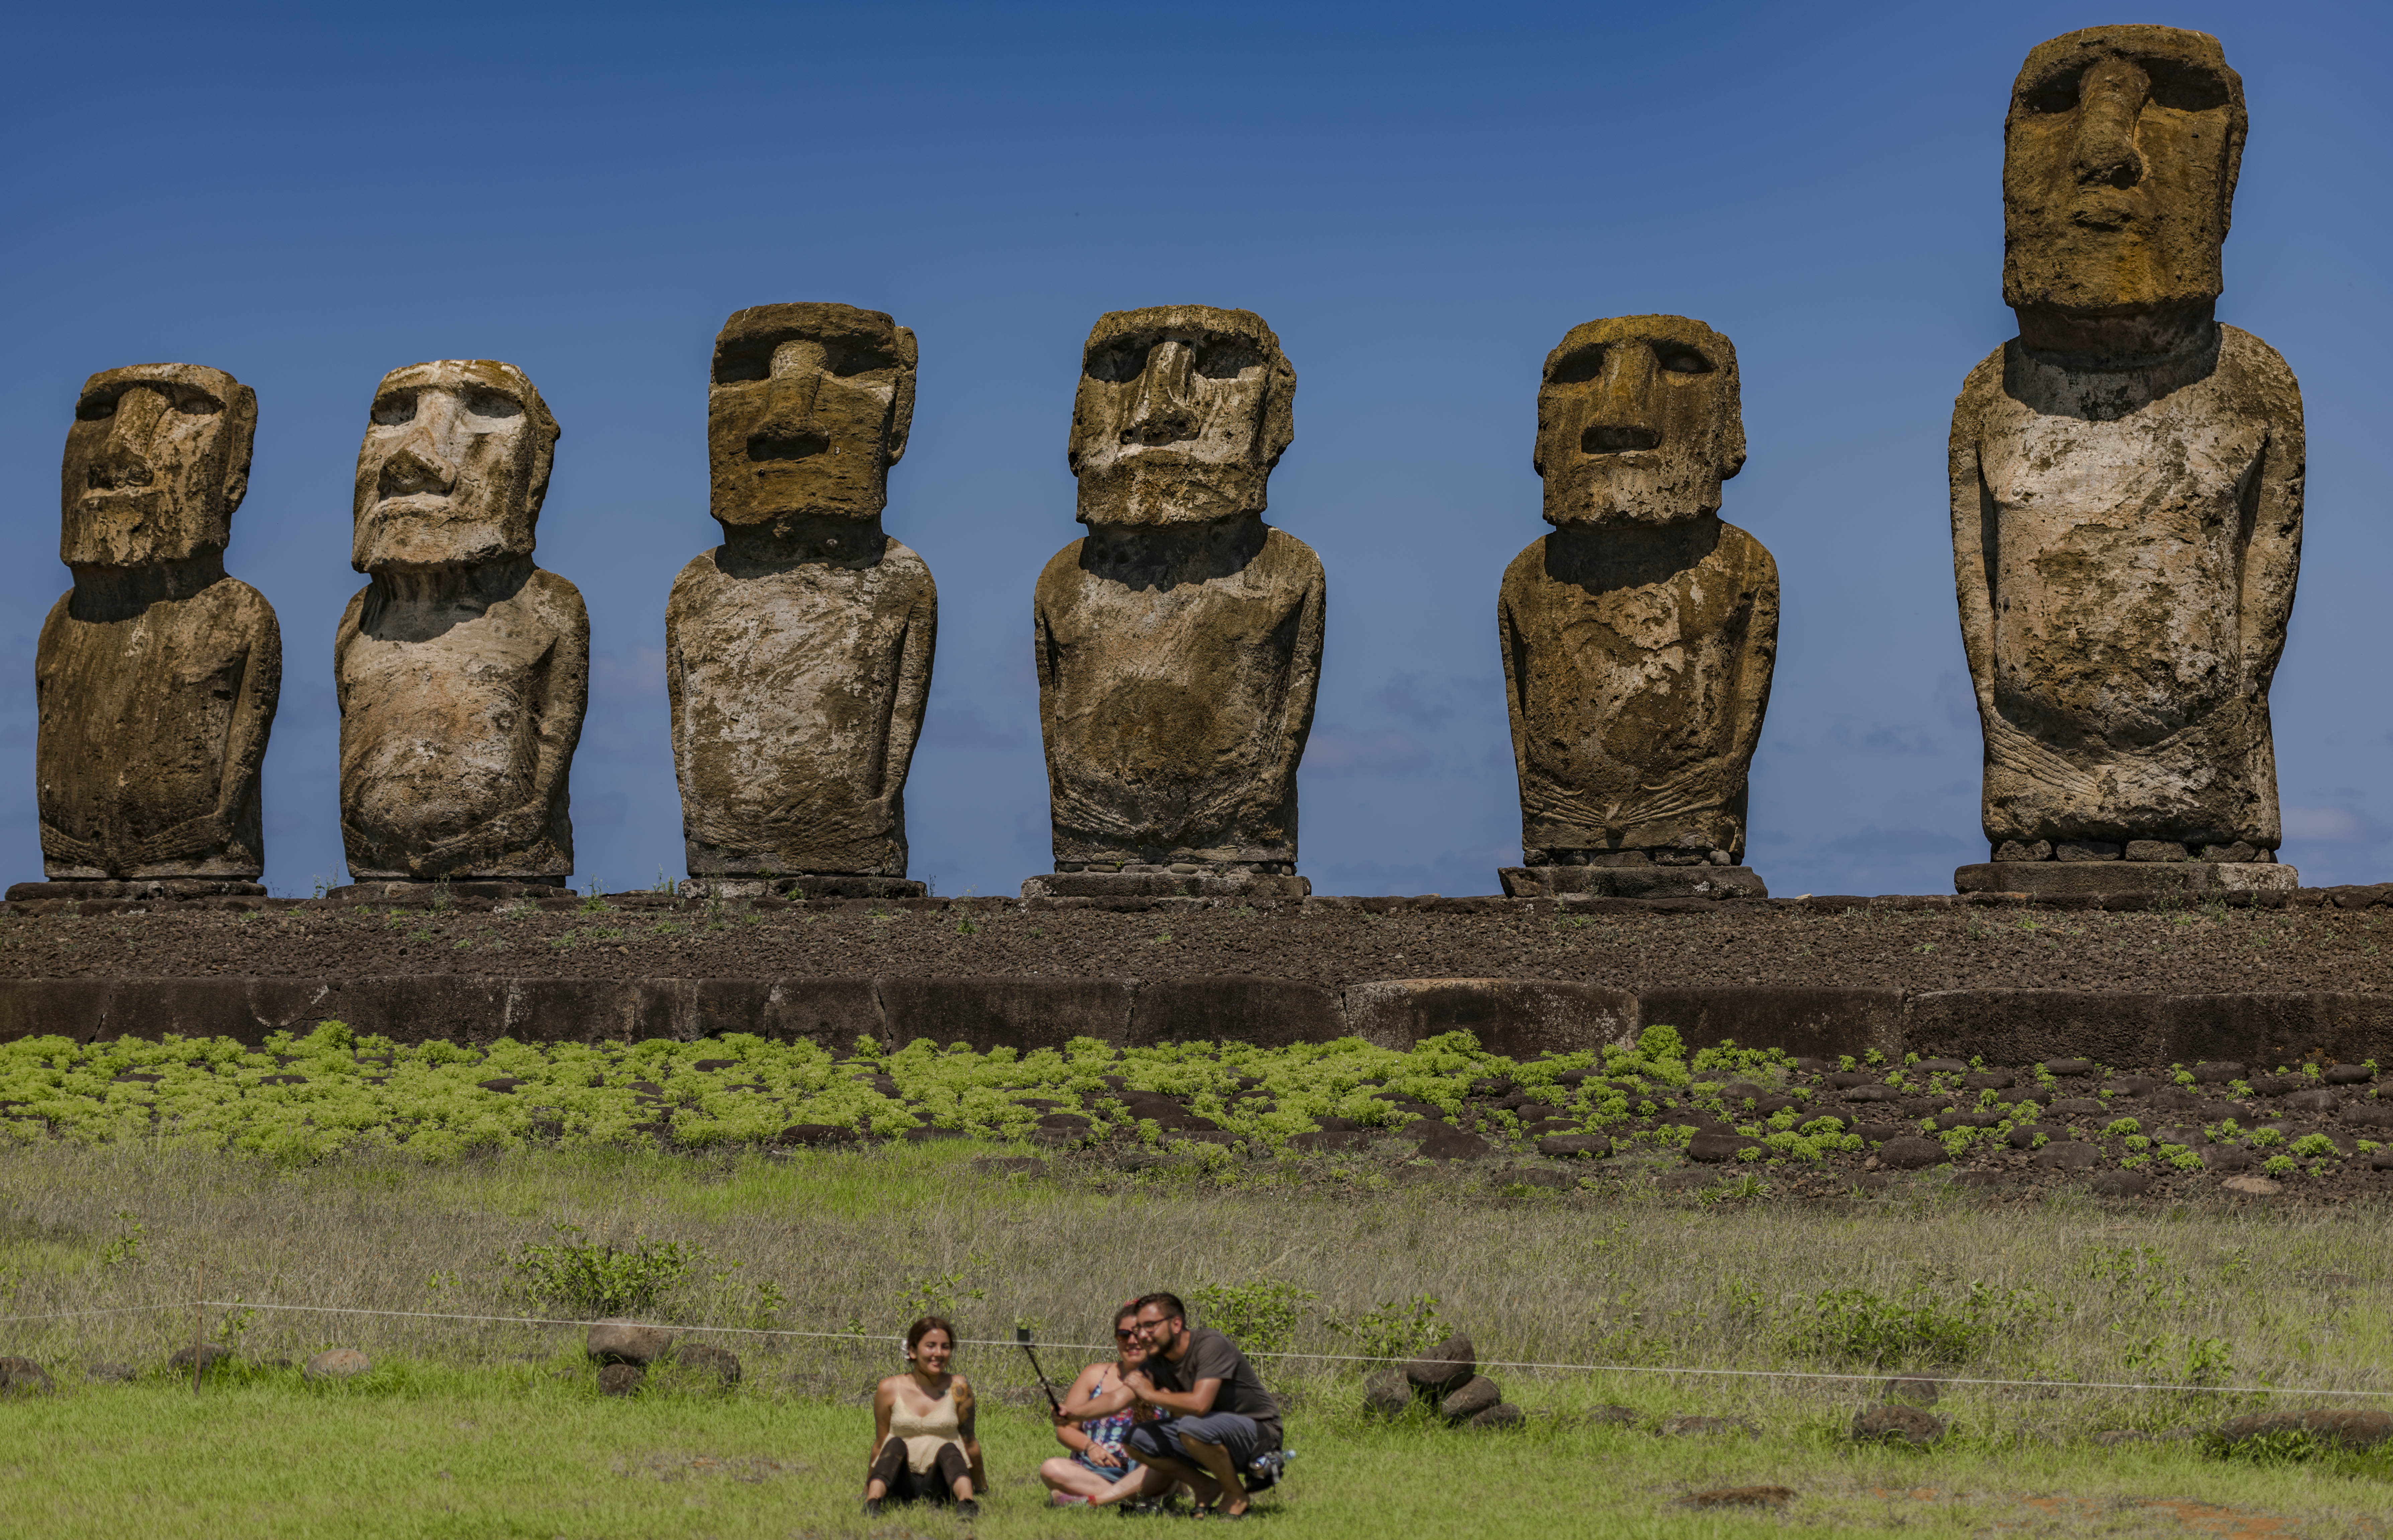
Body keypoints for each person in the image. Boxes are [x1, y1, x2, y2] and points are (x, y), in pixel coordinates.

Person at [1061, 1291, 1282, 1518]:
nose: (1142, 1336)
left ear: (1176, 1324)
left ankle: (1236, 1495)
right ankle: (1205, 1486)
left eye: (1150, 1326)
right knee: (1136, 1439)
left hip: (1260, 1435)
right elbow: (1118, 1399)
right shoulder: (1156, 1362)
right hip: (1209, 1436)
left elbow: (1199, 1405)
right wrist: (1073, 1413)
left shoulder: (1210, 1345)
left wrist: (1150, 1394)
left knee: (1191, 1425)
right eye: (1139, 1329)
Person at [863, 1316, 985, 1518]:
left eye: (945, 1347)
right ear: (913, 1351)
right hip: (900, 1480)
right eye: (931, 1346)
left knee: (950, 1448)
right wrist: (867, 1486)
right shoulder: (889, 1388)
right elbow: (881, 1442)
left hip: (942, 1482)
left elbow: (970, 1442)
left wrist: (982, 1486)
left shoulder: (959, 1387)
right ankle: (872, 1502)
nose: (938, 1353)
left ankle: (967, 1503)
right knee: (894, 1444)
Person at [1037, 1303, 1153, 1505]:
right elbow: (1065, 1431)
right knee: (1051, 1468)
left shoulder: (1169, 1378)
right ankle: (1126, 1500)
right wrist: (1091, 1447)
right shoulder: (1094, 1375)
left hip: (1146, 1470)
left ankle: (1093, 1501)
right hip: (1095, 1471)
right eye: (1124, 1335)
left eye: (1139, 1334)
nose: (1132, 1341)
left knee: (1165, 1464)